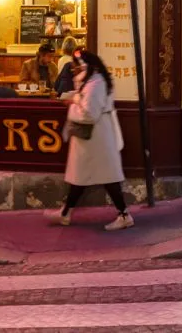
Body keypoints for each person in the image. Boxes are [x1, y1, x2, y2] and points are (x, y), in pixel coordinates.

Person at [54, 50, 133, 231]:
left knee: (104, 178)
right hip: (94, 139)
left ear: (85, 66)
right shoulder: (92, 81)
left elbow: (89, 113)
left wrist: (72, 105)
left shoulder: (95, 83)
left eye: (75, 66)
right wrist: (75, 97)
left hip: (96, 138)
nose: (73, 70)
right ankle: (65, 213)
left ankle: (124, 215)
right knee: (81, 177)